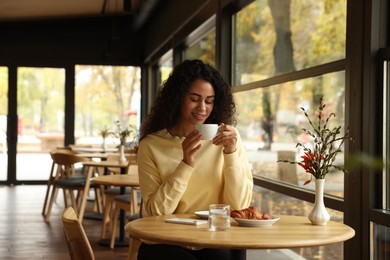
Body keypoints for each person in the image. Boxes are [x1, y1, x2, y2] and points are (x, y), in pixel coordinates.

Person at [136, 59, 253, 260]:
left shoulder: (228, 141)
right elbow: (154, 213)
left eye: (209, 101)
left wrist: (231, 154)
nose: (202, 107)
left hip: (214, 238)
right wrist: (186, 164)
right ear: (178, 97)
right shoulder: (151, 146)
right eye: (194, 98)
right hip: (167, 241)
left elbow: (239, 207)